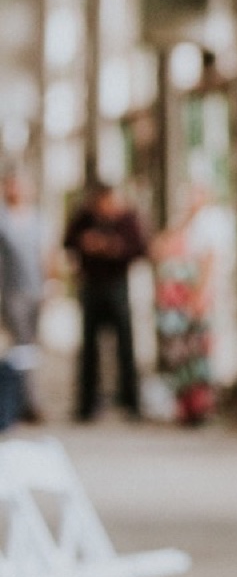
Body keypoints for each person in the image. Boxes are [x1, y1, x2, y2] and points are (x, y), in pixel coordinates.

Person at [63, 180, 149, 422]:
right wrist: (86, 243)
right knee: (89, 347)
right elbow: (68, 240)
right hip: (91, 286)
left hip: (117, 286)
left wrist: (112, 247)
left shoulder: (126, 218)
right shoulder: (85, 218)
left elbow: (140, 249)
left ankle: (131, 402)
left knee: (125, 346)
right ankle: (87, 404)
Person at [152, 186, 220, 425]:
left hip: (192, 298)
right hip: (175, 302)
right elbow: (160, 248)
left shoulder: (210, 224)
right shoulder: (183, 225)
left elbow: (209, 261)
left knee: (196, 354)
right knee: (178, 354)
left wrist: (199, 296)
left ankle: (199, 405)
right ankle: (185, 403)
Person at [0, 170, 48, 428]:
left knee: (30, 347)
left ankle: (24, 400)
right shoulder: (3, 218)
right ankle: (24, 402)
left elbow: (44, 253)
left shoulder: (37, 218)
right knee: (21, 346)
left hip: (34, 290)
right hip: (10, 291)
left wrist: (49, 283)